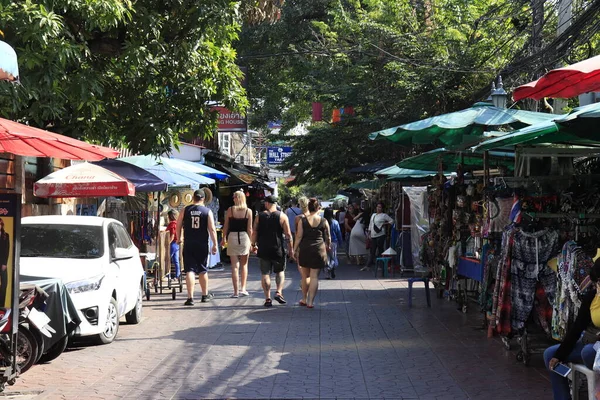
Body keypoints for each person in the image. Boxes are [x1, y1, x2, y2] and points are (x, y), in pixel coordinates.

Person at [544, 259, 600, 400]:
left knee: (587, 353)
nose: (598, 286)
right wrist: (560, 355)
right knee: (550, 354)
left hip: (594, 348)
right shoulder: (592, 297)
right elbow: (577, 327)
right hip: (591, 341)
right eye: (597, 283)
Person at [177, 189, 218, 306]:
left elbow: (178, 225)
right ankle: (204, 295)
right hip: (202, 244)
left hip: (189, 243)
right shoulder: (207, 211)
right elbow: (212, 229)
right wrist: (215, 244)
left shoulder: (185, 210)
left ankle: (190, 298)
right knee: (202, 269)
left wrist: (179, 237)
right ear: (203, 199)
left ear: (193, 198)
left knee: (189, 270)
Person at [252, 195, 294, 307]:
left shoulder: (259, 217)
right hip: (278, 249)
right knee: (280, 271)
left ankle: (267, 299)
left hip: (263, 248)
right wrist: (291, 249)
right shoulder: (283, 216)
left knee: (265, 274)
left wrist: (253, 245)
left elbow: (254, 232)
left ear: (266, 203)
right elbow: (288, 235)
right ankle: (279, 292)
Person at [294, 198, 331, 308]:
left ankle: (304, 299)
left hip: (305, 249)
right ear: (318, 207)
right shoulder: (324, 221)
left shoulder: (303, 220)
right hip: (318, 249)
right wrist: (328, 245)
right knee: (314, 276)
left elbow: (299, 236)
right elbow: (328, 236)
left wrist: (294, 249)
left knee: (305, 276)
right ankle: (310, 302)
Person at [222, 190, 253, 298]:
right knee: (244, 264)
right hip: (245, 237)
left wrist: (223, 238)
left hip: (233, 237)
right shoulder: (248, 211)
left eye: (234, 196)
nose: (233, 198)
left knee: (234, 266)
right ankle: (243, 289)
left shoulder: (230, 210)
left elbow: (226, 225)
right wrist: (252, 242)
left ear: (238, 198)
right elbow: (250, 229)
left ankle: (236, 292)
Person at [362, 202, 394, 271]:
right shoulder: (373, 215)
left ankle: (380, 266)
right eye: (377, 207)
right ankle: (368, 265)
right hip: (373, 235)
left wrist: (384, 224)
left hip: (380, 235)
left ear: (382, 208)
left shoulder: (384, 215)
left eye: (380, 207)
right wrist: (369, 234)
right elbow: (370, 224)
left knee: (380, 250)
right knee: (372, 251)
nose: (378, 208)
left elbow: (392, 221)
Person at [323, 208, 342, 279]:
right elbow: (338, 233)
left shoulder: (323, 222)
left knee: (327, 258)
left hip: (324, 242)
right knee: (333, 258)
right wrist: (340, 242)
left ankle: (327, 274)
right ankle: (331, 267)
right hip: (334, 242)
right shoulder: (335, 222)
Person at [166, 210, 181, 278]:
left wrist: (168, 243)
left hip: (172, 243)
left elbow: (172, 235)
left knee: (167, 259)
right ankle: (177, 275)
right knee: (176, 260)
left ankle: (167, 275)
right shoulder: (177, 223)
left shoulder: (172, 224)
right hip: (177, 243)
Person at [0, 218, 10, 306]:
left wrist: (4, 263)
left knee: (4, 284)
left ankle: (1, 305)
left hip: (2, 263)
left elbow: (7, 250)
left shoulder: (6, 235)